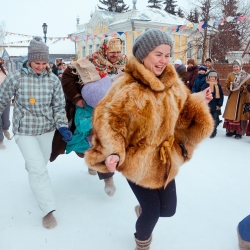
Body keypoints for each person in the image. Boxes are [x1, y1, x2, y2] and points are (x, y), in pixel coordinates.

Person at [84, 29, 214, 249]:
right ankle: (142, 241)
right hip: (137, 160)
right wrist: (114, 152)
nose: (164, 60)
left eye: (167, 54)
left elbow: (181, 115)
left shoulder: (172, 83)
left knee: (168, 210)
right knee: (152, 212)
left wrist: (197, 100)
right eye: (158, 54)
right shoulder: (126, 86)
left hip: (164, 159)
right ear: (144, 55)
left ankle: (144, 211)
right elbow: (109, 122)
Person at [0, 37, 72, 229]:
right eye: (37, 62)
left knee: (41, 163)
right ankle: (48, 210)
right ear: (29, 60)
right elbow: (1, 99)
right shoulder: (16, 77)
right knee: (38, 169)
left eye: (44, 63)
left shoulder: (53, 80)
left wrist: (62, 126)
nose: (40, 66)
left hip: (46, 129)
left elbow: (58, 107)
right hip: (25, 131)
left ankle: (33, 166)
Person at [50, 36, 127, 197]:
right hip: (88, 111)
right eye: (112, 51)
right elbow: (67, 77)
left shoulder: (124, 64)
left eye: (118, 51)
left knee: (105, 143)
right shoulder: (88, 63)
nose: (115, 55)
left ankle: (104, 174)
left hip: (112, 112)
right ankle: (102, 172)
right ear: (105, 49)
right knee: (93, 142)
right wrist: (76, 97)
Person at [222, 60, 250, 139]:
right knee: (231, 113)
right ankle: (231, 131)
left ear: (240, 66)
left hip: (242, 98)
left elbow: (249, 86)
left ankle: (239, 132)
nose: (235, 68)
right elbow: (226, 84)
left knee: (240, 114)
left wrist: (243, 88)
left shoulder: (246, 75)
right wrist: (230, 86)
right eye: (234, 67)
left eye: (237, 66)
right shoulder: (230, 75)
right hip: (233, 97)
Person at [201, 70, 224, 138]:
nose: (212, 78)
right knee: (207, 119)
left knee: (214, 119)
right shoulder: (206, 85)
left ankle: (213, 131)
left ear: (216, 78)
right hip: (207, 105)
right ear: (208, 77)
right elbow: (203, 94)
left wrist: (219, 104)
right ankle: (206, 131)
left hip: (215, 105)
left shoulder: (218, 85)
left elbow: (221, 95)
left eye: (214, 77)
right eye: (211, 77)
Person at [0, 58, 11, 149]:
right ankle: (0, 140)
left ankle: (5, 129)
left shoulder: (5, 71)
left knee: (5, 118)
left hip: (5, 97)